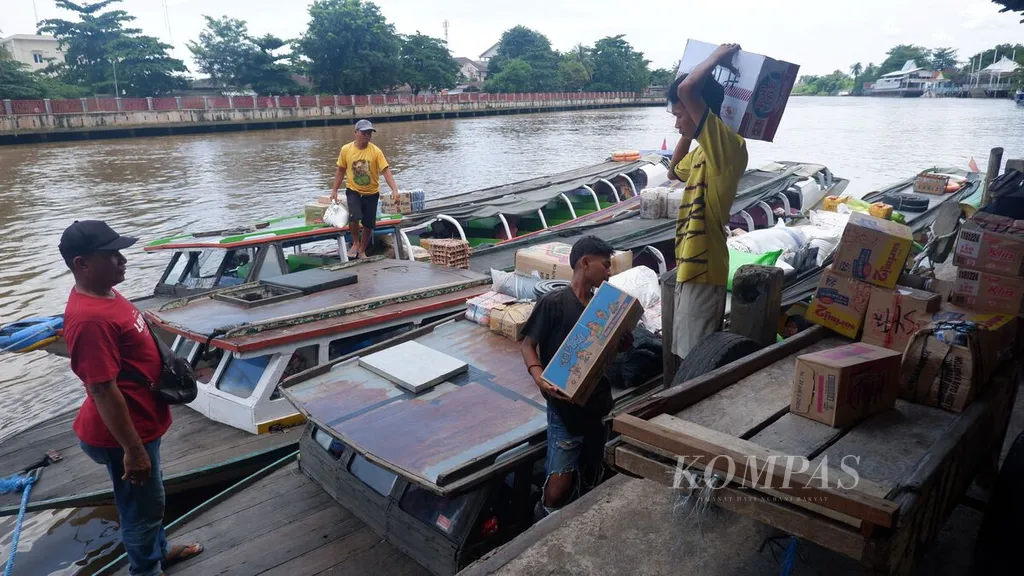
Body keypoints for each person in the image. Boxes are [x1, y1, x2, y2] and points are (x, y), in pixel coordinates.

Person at [60, 220, 202, 576]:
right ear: (82, 264)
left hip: (141, 425)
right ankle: (146, 569)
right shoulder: (89, 320)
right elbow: (102, 388)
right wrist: (133, 450)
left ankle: (160, 551)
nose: (122, 260)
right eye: (111, 255)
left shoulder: (106, 292)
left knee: (148, 502)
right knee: (142, 510)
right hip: (123, 436)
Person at [520, 236, 632, 517]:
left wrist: (622, 342)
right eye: (605, 265)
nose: (609, 272)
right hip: (563, 407)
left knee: (590, 466)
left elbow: (603, 356)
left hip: (597, 403)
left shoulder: (602, 308)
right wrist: (538, 377)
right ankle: (542, 520)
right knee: (558, 485)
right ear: (585, 262)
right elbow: (527, 344)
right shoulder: (553, 302)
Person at [667, 43, 749, 359]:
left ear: (699, 108)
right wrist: (688, 132)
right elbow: (675, 171)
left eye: (679, 116)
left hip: (706, 268)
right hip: (689, 265)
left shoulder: (728, 148)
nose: (676, 124)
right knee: (682, 348)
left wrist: (716, 58)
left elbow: (688, 88)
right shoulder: (702, 151)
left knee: (694, 354)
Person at [329, 119, 400, 259]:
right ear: (356, 133)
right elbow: (341, 170)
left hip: (371, 193)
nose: (367, 136)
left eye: (369, 133)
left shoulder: (375, 151)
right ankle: (355, 243)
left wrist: (394, 190)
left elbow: (386, 171)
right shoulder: (346, 150)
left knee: (368, 224)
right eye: (364, 133)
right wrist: (334, 190)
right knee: (354, 217)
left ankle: (362, 250)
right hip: (353, 190)